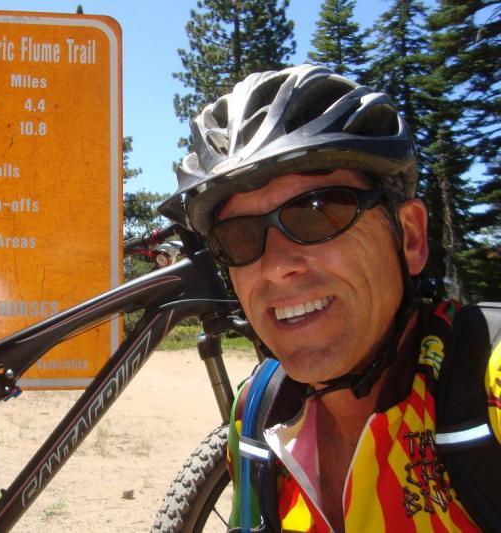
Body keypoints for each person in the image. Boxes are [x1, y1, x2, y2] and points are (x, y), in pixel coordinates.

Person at [159, 64, 501, 532]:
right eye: (238, 238)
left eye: (317, 212)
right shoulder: (256, 413)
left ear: (410, 237)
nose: (278, 266)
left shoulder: (489, 384)